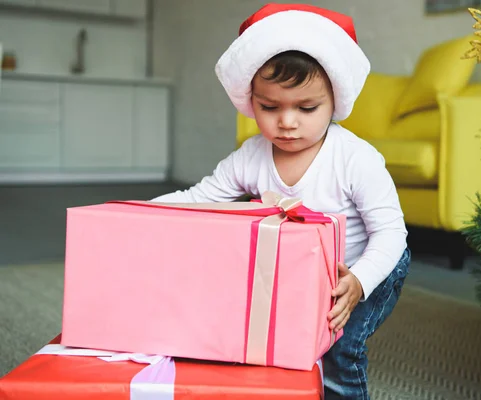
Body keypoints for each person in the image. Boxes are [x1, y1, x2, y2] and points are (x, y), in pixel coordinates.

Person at [152, 4, 410, 399]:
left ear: (334, 101)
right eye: (269, 107)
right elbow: (199, 199)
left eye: (307, 108)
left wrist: (360, 281)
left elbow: (391, 233)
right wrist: (137, 212)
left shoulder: (355, 158)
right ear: (250, 100)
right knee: (267, 333)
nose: (287, 122)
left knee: (339, 346)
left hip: (369, 265)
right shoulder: (250, 156)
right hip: (299, 267)